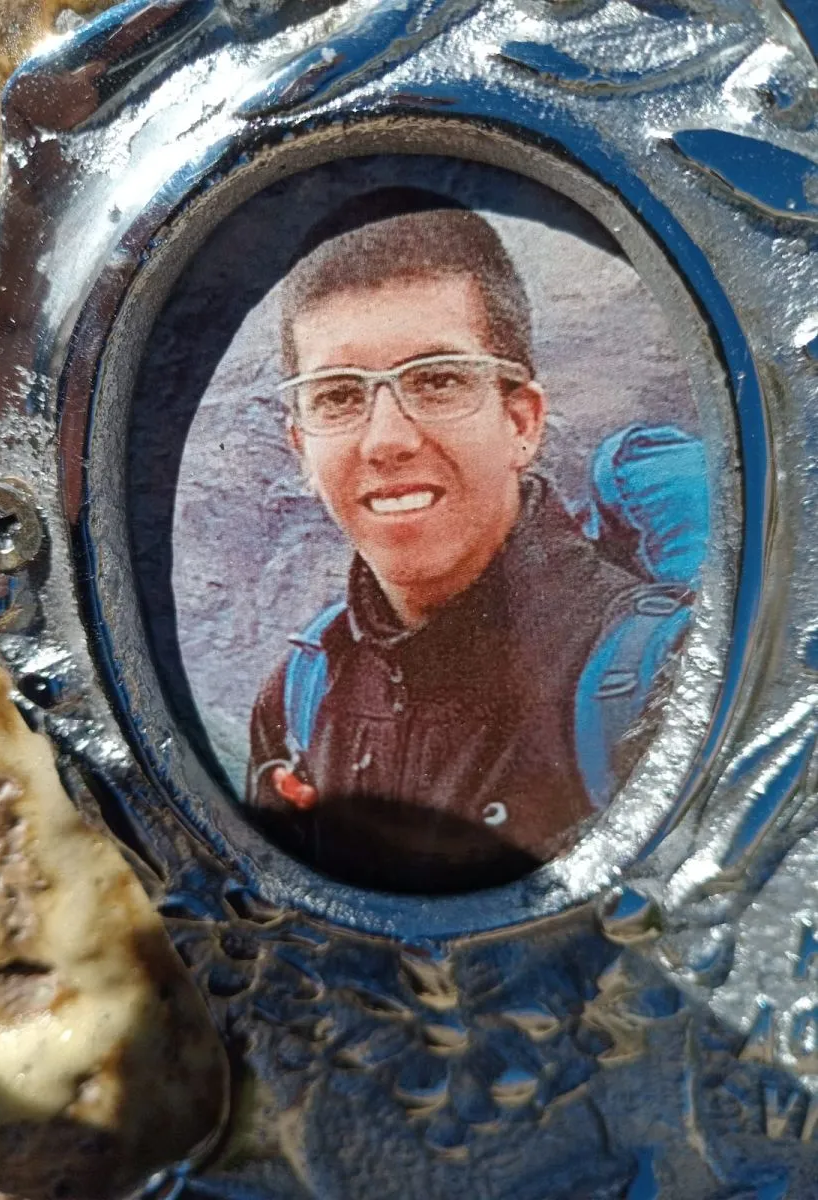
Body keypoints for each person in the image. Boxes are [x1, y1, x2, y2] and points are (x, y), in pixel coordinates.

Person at [245, 206, 702, 892]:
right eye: (338, 396)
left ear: (521, 421)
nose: (386, 439)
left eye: (437, 380)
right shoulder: (297, 701)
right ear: (301, 447)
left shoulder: (665, 685)